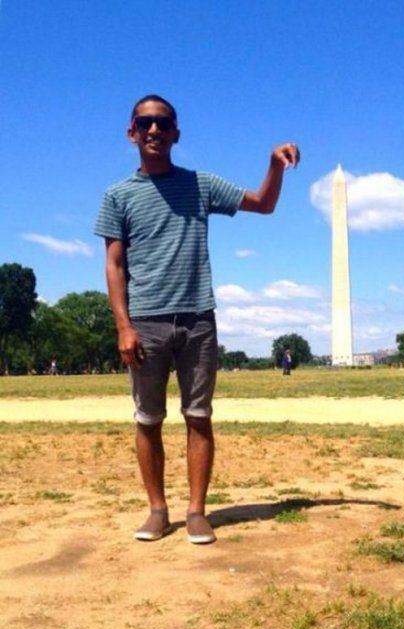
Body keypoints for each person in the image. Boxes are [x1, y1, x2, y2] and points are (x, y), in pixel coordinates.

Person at [95, 94, 300, 545]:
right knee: (147, 419)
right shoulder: (117, 195)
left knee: (198, 416)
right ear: (131, 132)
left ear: (176, 133)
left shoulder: (200, 185)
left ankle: (195, 512)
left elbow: (263, 204)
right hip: (145, 321)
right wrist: (123, 326)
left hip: (197, 319)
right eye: (144, 122)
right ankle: (156, 510)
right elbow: (114, 265)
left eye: (163, 122)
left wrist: (274, 166)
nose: (153, 129)